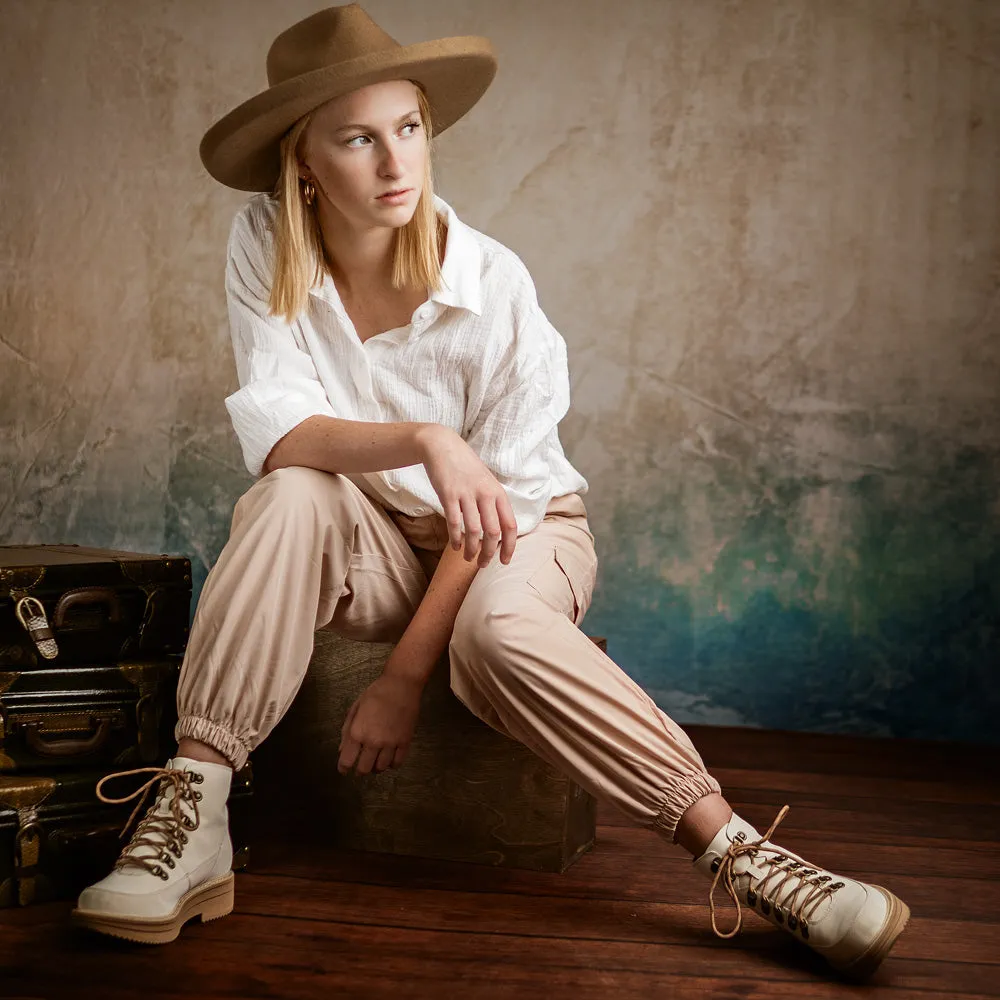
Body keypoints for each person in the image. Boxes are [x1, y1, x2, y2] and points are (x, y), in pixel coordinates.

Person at [71, 3, 910, 978]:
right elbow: (283, 433)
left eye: (409, 129)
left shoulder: (493, 285)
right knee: (291, 496)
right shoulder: (265, 242)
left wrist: (401, 679)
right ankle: (194, 808)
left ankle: (749, 861)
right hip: (375, 534)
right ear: (304, 161)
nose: (396, 163)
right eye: (357, 138)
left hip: (520, 531)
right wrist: (428, 438)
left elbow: (490, 516)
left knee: (497, 635)